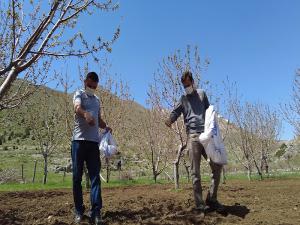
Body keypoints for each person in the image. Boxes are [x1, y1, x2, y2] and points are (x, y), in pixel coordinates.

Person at [165, 71, 224, 213]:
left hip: (206, 136)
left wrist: (214, 126)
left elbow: (209, 111)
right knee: (195, 172)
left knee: (217, 165)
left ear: (192, 82)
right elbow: (175, 112)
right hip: (192, 137)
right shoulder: (183, 99)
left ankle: (212, 198)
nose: (187, 87)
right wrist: (170, 120)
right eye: (184, 86)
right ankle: (200, 204)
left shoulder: (202, 94)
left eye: (188, 84)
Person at [71, 72, 111, 224]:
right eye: (90, 86)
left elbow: (99, 119)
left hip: (93, 144)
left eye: (94, 87)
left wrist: (106, 127)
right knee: (76, 177)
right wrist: (85, 114)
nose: (92, 89)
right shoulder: (79, 93)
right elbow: (77, 108)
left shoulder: (97, 100)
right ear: (85, 82)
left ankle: (96, 212)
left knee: (95, 178)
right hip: (79, 142)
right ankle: (79, 211)